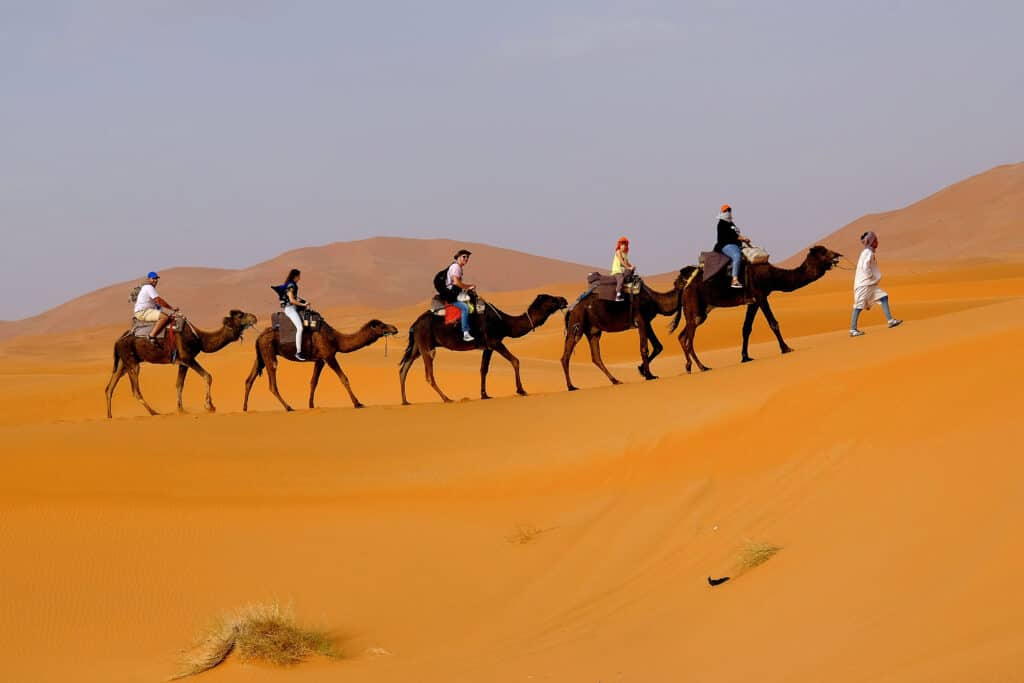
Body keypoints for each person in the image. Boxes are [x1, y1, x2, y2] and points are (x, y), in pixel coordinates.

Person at [850, 231, 902, 337]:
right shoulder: (868, 253)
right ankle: (853, 329)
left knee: (883, 297)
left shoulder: (867, 252)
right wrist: (870, 276)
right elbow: (865, 267)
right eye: (875, 240)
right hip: (864, 284)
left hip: (870, 284)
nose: (877, 242)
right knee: (858, 306)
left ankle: (890, 320)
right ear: (871, 242)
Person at [133, 271, 178, 344]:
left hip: (146, 311)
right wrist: (172, 308)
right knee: (164, 318)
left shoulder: (148, 288)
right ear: (149, 279)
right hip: (143, 312)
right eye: (153, 278)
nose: (155, 280)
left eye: (156, 278)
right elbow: (159, 300)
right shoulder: (149, 287)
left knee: (168, 316)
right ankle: (151, 336)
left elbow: (157, 304)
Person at [713, 204, 751, 289]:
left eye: (729, 210)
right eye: (726, 211)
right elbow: (732, 235)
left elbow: (736, 234)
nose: (728, 212)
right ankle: (734, 280)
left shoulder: (731, 223)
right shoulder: (722, 223)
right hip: (725, 245)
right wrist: (743, 238)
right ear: (722, 212)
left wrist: (744, 240)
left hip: (736, 244)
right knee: (737, 256)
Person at [275, 268, 309, 360]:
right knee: (300, 328)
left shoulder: (291, 285)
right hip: (290, 309)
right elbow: (292, 300)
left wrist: (302, 301)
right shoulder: (291, 285)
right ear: (295, 276)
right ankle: (298, 352)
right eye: (299, 276)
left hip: (293, 308)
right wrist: (303, 304)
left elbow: (295, 297)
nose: (300, 278)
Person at [444, 249, 476, 342]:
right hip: (451, 295)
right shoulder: (456, 267)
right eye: (464, 257)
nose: (466, 259)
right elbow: (456, 282)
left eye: (467, 257)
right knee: (465, 308)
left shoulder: (457, 267)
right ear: (458, 257)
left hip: (455, 293)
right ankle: (465, 333)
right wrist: (468, 286)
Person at [611, 236, 634, 302]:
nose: (623, 246)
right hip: (617, 271)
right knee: (621, 279)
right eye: (622, 245)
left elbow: (627, 262)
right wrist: (629, 267)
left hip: (623, 271)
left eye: (625, 245)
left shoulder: (625, 254)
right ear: (619, 245)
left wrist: (632, 266)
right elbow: (622, 262)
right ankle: (618, 295)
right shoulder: (618, 252)